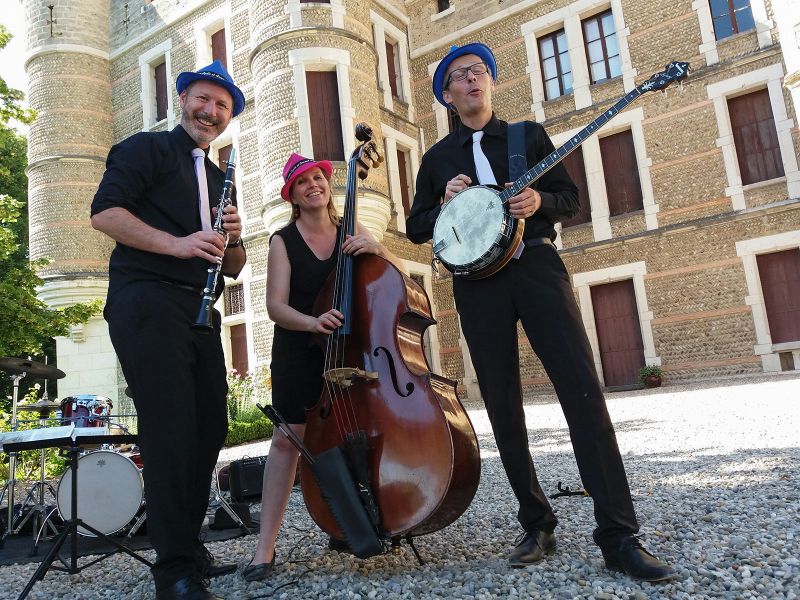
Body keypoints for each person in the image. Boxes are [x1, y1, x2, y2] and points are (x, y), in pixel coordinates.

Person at [406, 43, 674, 582]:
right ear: (447, 96)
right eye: (459, 77)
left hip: (537, 267)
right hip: (477, 286)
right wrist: (444, 205)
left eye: (478, 71)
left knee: (581, 391)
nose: (471, 80)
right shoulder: (437, 161)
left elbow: (569, 198)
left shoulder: (527, 136)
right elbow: (417, 228)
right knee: (503, 406)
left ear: (491, 81)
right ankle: (536, 522)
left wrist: (539, 203)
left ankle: (619, 535)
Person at [91, 60, 247, 600]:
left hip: (199, 311)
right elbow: (105, 214)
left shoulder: (219, 176)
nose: (211, 111)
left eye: (222, 106)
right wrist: (179, 243)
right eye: (203, 99)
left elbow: (232, 267)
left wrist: (235, 236)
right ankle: (174, 570)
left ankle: (189, 547)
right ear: (182, 99)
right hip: (147, 301)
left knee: (209, 428)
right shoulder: (144, 151)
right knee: (171, 431)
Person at [242, 152, 403, 582]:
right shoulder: (283, 240)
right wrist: (313, 321)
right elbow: (275, 307)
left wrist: (379, 247)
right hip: (300, 349)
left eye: (319, 178)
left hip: (351, 351)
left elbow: (395, 276)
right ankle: (264, 549)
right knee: (288, 441)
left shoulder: (349, 227)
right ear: (292, 195)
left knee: (357, 431)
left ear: (328, 185)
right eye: (302, 182)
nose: (313, 184)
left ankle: (364, 521)